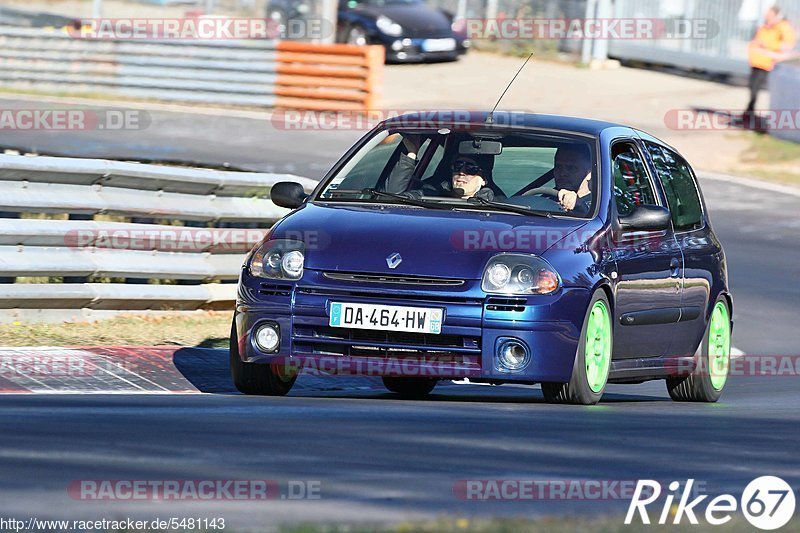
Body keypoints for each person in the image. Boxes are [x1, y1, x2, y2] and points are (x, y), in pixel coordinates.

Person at [382, 135, 498, 200]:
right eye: (458, 166)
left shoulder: (498, 209)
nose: (462, 172)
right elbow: (390, 200)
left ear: (484, 180)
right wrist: (412, 153)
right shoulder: (429, 195)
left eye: (471, 168)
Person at [746, 5, 796, 114]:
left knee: (763, 90)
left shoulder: (782, 26)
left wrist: (768, 48)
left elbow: (788, 45)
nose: (766, 15)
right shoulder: (765, 26)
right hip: (756, 61)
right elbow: (757, 39)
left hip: (768, 63)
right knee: (752, 87)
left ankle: (752, 112)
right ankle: (750, 110)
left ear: (775, 14)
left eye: (768, 14)